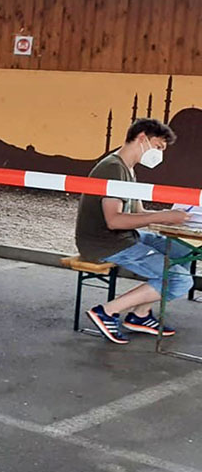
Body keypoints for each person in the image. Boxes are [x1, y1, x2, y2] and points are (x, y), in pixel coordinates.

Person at [74, 118, 191, 344]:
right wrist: (162, 217)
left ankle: (140, 315)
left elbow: (137, 211)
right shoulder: (112, 168)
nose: (159, 154)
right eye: (158, 147)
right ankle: (106, 311)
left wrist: (169, 219)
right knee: (179, 280)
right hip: (105, 243)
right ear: (141, 138)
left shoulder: (127, 168)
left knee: (181, 250)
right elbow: (114, 221)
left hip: (123, 237)